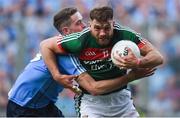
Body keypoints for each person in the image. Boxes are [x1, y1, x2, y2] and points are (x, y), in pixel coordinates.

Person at [7, 7, 154, 117]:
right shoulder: (67, 55)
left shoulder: (63, 46)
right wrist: (131, 77)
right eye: (79, 23)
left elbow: (45, 45)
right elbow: (93, 88)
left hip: (42, 104)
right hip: (24, 107)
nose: (84, 26)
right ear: (66, 31)